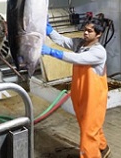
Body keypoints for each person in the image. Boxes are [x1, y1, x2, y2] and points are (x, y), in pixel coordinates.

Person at [41, 18, 111, 158]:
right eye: (84, 30)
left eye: (89, 31)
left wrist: (51, 52)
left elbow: (76, 58)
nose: (85, 33)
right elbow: (62, 40)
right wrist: (49, 30)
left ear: (98, 34)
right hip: (80, 95)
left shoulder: (99, 52)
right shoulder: (80, 44)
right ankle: (102, 147)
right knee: (88, 126)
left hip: (94, 99)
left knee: (87, 132)